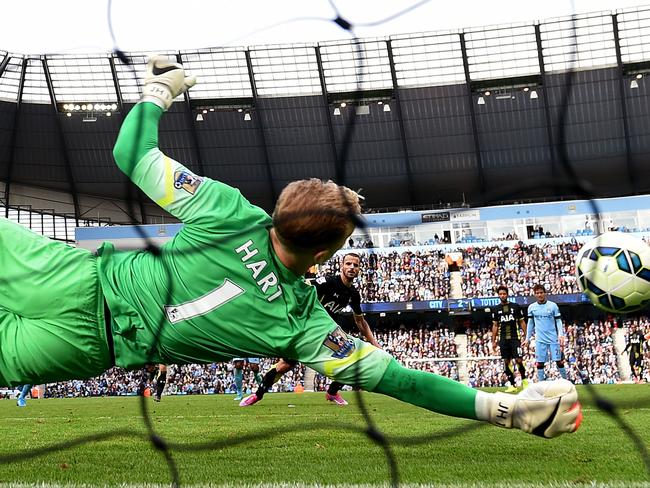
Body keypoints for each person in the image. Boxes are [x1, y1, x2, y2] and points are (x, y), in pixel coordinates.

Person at [0, 56, 581, 439]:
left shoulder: (229, 213)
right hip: (82, 346)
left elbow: (132, 157)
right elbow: (401, 380)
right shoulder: (301, 326)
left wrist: (158, 91)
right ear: (325, 256)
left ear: (279, 207)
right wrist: (502, 409)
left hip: (69, 276)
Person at [241, 252, 380, 407]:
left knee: (352, 358)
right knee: (285, 365)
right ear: (342, 265)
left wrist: (374, 342)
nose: (352, 267)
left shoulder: (353, 294)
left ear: (360, 269)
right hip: (307, 329)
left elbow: (360, 321)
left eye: (355, 265)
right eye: (348, 263)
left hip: (328, 335)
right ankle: (257, 395)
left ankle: (332, 393)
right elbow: (303, 286)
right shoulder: (327, 282)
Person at [526, 284, 568, 382]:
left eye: (541, 292)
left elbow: (558, 321)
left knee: (558, 361)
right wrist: (527, 338)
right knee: (540, 363)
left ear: (545, 293)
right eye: (537, 293)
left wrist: (560, 334)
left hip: (553, 339)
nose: (539, 295)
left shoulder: (553, 306)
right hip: (540, 340)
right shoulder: (532, 307)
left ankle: (566, 382)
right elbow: (530, 323)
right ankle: (541, 383)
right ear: (535, 295)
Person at [490, 285, 528, 392]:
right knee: (506, 361)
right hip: (503, 340)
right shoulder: (496, 309)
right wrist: (493, 341)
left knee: (519, 360)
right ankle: (512, 385)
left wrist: (526, 336)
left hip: (515, 338)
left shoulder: (515, 307)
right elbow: (495, 326)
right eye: (500, 294)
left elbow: (521, 322)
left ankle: (524, 381)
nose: (502, 295)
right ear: (498, 295)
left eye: (504, 294)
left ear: (507, 294)